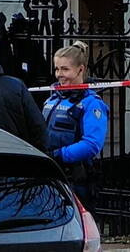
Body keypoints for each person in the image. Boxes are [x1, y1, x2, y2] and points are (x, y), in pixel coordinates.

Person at [43, 41, 109, 210]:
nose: (59, 74)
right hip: (50, 175)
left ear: (80, 69)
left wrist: (59, 155)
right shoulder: (52, 99)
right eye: (57, 69)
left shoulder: (91, 103)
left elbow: (92, 144)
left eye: (65, 69)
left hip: (75, 180)